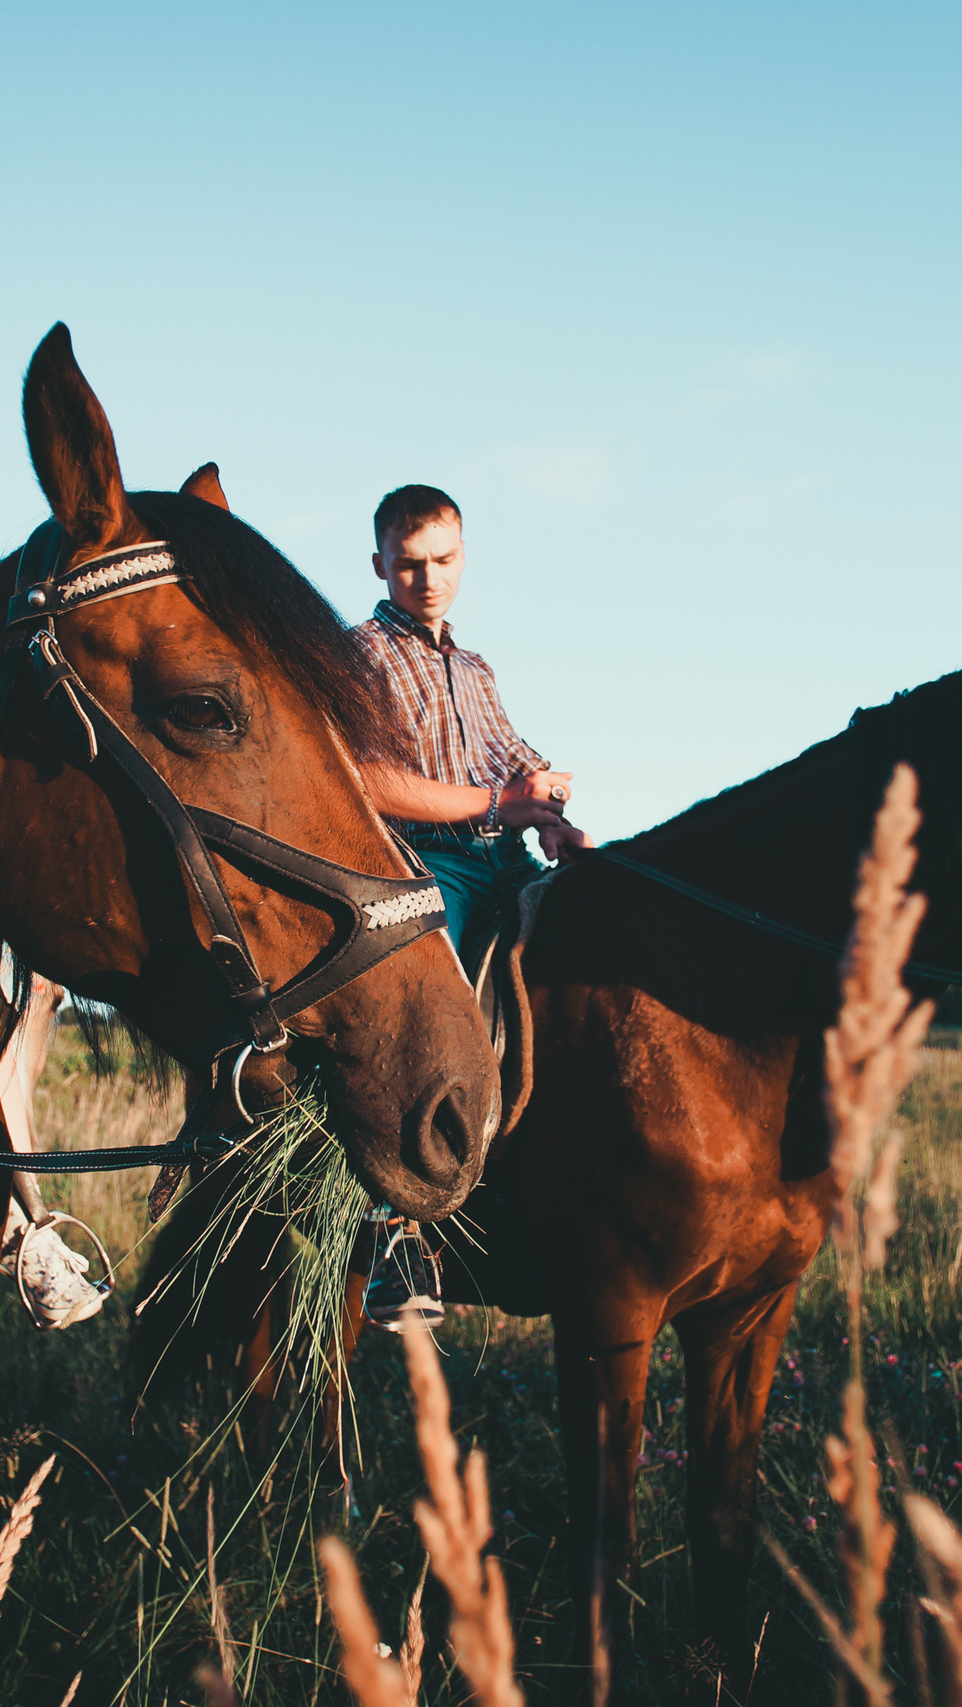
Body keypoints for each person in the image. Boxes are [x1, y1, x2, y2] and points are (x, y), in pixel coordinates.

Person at [352, 483, 590, 1328]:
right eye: (409, 563)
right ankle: (391, 1233)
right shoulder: (363, 655)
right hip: (432, 862)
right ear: (379, 563)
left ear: (463, 557)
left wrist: (557, 820)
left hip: (509, 854)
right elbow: (372, 781)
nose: (427, 578)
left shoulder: (476, 668)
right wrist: (500, 805)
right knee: (424, 1012)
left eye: (443, 561)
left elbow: (514, 761)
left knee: (592, 952)